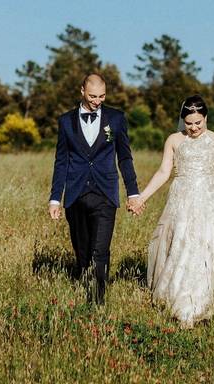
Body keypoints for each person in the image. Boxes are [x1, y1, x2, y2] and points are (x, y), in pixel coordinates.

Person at [129, 95, 214, 327]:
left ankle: (202, 303)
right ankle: (181, 304)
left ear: (206, 118)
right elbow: (164, 172)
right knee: (183, 245)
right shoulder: (174, 140)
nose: (193, 128)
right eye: (189, 123)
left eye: (198, 123)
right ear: (183, 120)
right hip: (182, 200)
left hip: (209, 200)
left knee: (206, 247)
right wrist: (142, 197)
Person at [48, 73, 141, 305]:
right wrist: (55, 199)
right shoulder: (65, 121)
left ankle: (96, 303)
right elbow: (61, 161)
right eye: (92, 96)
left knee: (100, 251)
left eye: (102, 96)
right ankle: (83, 287)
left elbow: (125, 158)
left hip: (105, 193)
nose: (97, 101)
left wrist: (133, 192)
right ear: (82, 91)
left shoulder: (117, 118)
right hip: (75, 194)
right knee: (83, 253)